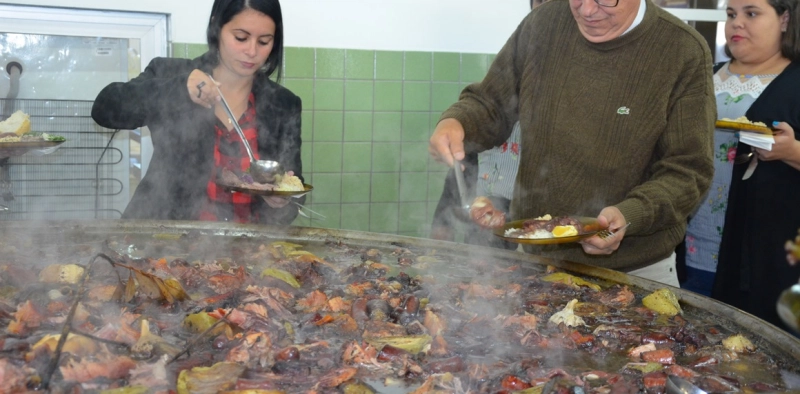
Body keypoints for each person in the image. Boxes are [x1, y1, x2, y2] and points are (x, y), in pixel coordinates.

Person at [428, 0, 716, 286]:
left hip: (635, 272)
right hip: (536, 262)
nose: (587, 10)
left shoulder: (682, 50)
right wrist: (457, 122)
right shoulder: (542, 24)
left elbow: (688, 171)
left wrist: (628, 216)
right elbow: (490, 104)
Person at [92, 0, 302, 225]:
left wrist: (282, 201)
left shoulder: (283, 104)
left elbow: (292, 192)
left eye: (264, 41)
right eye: (241, 38)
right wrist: (180, 88)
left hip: (248, 250)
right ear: (216, 27)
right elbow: (105, 108)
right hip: (164, 242)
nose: (252, 51)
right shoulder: (172, 73)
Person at [711, 0, 800, 330]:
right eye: (731, 15)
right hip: (693, 246)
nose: (736, 24)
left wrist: (792, 152)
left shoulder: (795, 80)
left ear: (785, 19)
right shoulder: (705, 74)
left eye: (751, 13)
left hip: (766, 263)